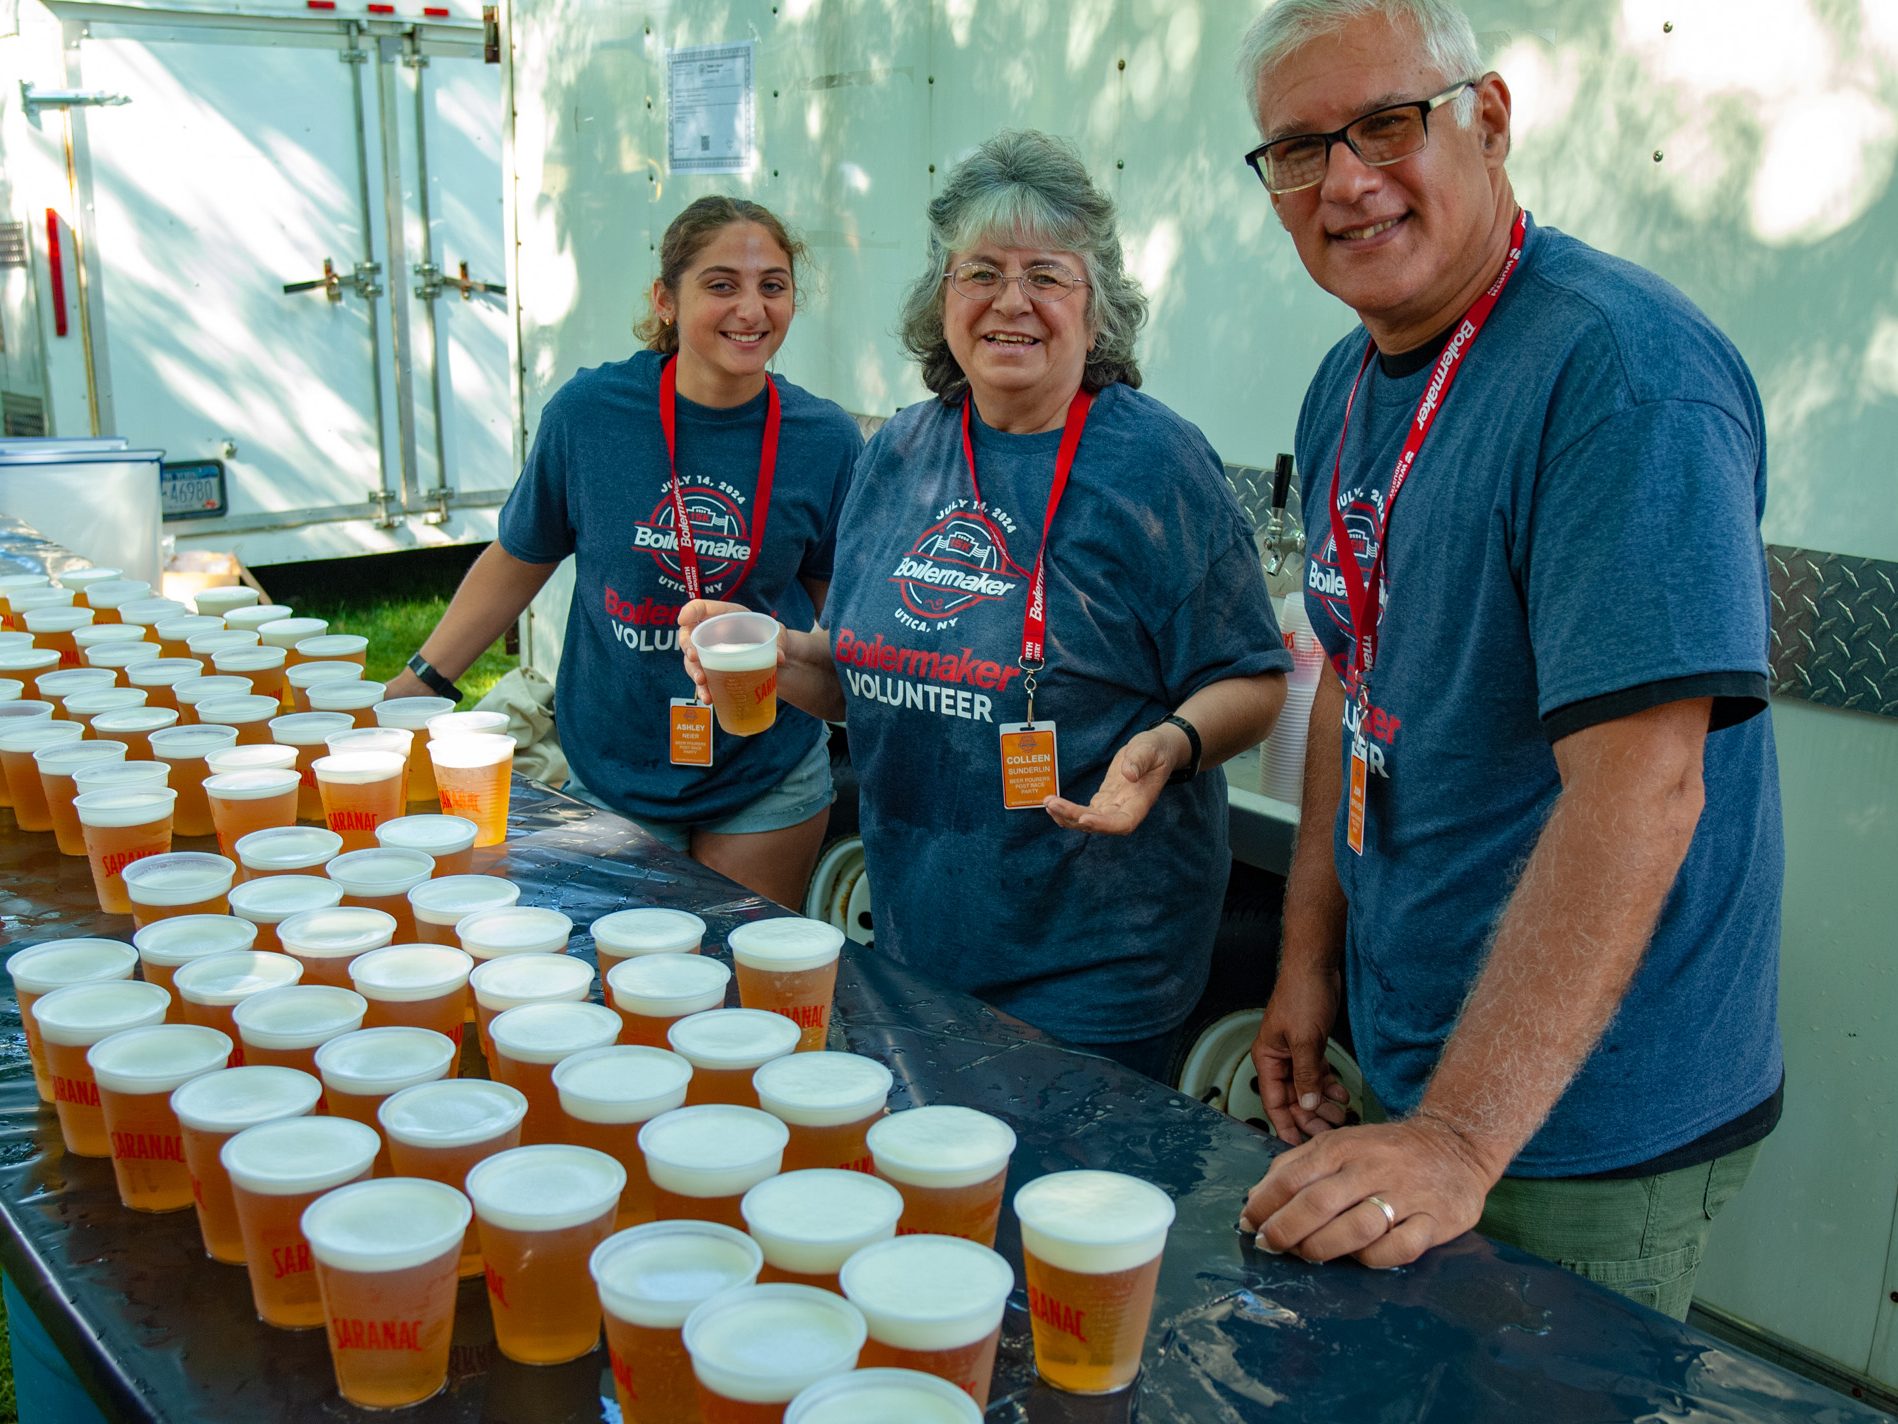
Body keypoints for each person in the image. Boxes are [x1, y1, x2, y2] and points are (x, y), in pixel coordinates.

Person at [1234, 0, 1783, 1318]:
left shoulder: (1617, 373)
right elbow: (1347, 680)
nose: (1347, 182)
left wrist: (1462, 1138)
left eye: (1384, 124)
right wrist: (1307, 959)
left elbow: (1640, 792)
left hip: (1572, 1121)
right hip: (1407, 1059)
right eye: (1300, 149)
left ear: (1486, 119)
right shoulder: (1345, 379)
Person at [683, 131, 1290, 1079]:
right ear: (943, 297)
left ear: (1098, 306)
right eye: (982, 272)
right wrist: (772, 651)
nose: (1013, 302)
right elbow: (856, 679)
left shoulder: (1155, 462)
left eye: (1047, 274)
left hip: (1095, 955)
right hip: (923, 923)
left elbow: (1251, 678)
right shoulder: (897, 453)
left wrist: (1168, 744)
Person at [389, 197, 860, 906]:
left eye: (773, 286)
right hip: (614, 766)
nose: (751, 310)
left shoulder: (823, 438)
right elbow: (520, 558)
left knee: (737, 992)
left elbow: (840, 613)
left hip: (766, 772)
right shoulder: (590, 416)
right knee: (620, 994)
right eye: (721, 284)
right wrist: (423, 680)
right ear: (665, 299)